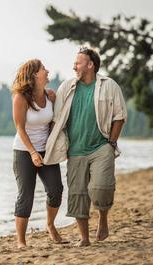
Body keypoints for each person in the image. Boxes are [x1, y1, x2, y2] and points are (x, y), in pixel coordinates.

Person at [44, 47, 127, 247]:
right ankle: (84, 238)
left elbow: (120, 116)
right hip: (75, 150)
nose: (74, 66)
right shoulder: (67, 87)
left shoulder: (109, 86)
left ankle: (103, 220)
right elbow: (56, 118)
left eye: (78, 63)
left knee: (101, 188)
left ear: (91, 65)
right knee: (78, 194)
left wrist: (111, 143)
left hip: (101, 147)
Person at [11, 59, 64, 248]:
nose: (47, 71)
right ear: (34, 75)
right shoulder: (21, 97)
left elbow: (52, 123)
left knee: (56, 190)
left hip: (46, 151)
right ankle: (21, 241)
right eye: (43, 69)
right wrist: (33, 152)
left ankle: (50, 225)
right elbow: (20, 128)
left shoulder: (51, 95)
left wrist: (55, 145)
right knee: (26, 196)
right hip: (24, 151)